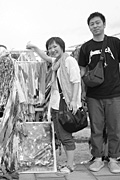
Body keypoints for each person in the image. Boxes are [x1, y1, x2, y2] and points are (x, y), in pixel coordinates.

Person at [78, 12, 120, 173]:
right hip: (93, 95)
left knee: (115, 127)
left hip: (115, 93)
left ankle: (114, 159)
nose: (95, 26)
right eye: (92, 24)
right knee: (96, 128)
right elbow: (82, 70)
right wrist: (81, 90)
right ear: (89, 27)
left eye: (97, 23)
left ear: (104, 24)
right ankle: (97, 158)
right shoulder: (85, 47)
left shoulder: (115, 43)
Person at [26, 37, 82, 174]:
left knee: (65, 136)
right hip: (56, 106)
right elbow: (44, 56)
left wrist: (74, 101)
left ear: (62, 46)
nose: (52, 50)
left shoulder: (69, 61)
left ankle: (70, 166)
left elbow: (76, 81)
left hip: (66, 104)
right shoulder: (57, 62)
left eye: (55, 46)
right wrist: (33, 46)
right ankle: (68, 163)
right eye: (50, 47)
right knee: (62, 135)